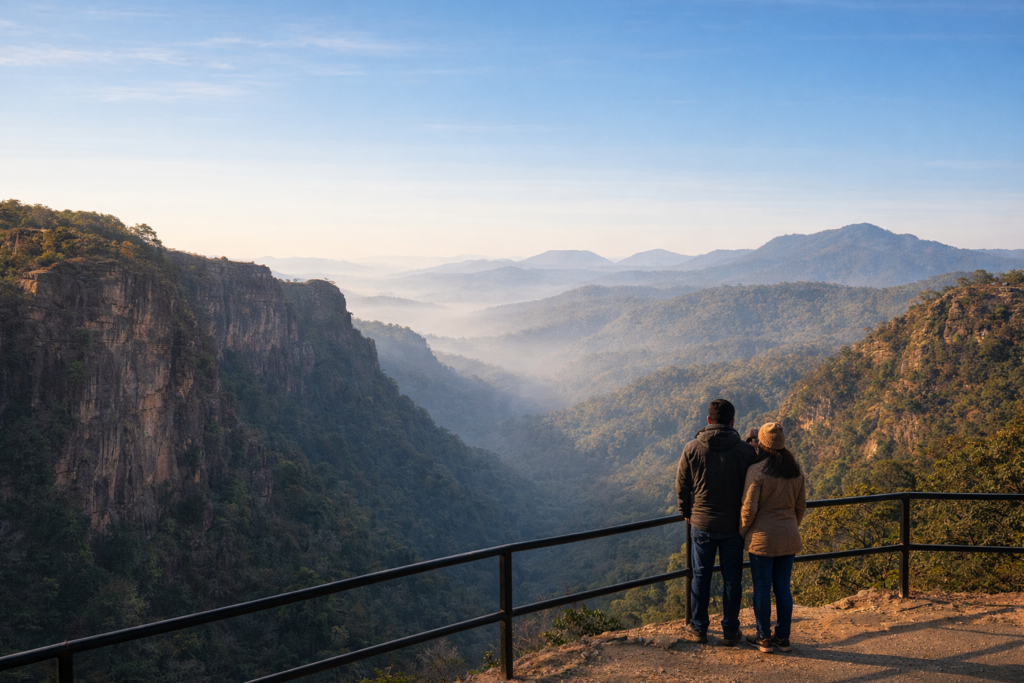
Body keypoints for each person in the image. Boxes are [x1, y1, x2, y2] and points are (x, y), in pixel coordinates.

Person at [675, 399, 760, 645]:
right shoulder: (746, 452)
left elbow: (682, 486)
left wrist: (686, 511)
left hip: (702, 523)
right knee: (732, 578)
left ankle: (699, 627)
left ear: (709, 420)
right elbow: (754, 487)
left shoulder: (692, 448)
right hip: (734, 525)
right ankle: (731, 630)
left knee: (700, 576)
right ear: (733, 422)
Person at [739, 422, 807, 654]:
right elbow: (800, 507)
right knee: (783, 588)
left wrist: (742, 532)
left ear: (760, 443)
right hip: (789, 536)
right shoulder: (795, 469)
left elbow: (748, 509)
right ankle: (783, 638)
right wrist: (790, 527)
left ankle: (763, 638)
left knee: (761, 588)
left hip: (762, 538)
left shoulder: (757, 471)